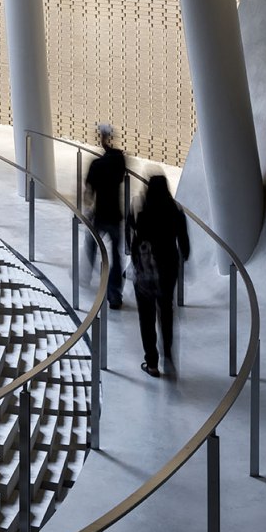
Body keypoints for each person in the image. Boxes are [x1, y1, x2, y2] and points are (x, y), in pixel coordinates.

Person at [131, 173, 191, 378]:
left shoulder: (142, 210)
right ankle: (168, 357)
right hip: (168, 269)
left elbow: (134, 234)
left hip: (146, 270)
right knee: (165, 312)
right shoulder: (176, 211)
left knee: (146, 318)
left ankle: (152, 363)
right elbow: (185, 247)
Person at [83, 123, 127, 309]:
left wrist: (88, 208)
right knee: (116, 254)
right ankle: (114, 292)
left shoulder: (96, 165)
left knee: (92, 242)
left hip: (101, 214)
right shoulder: (119, 160)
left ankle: (87, 273)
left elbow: (89, 193)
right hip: (115, 214)